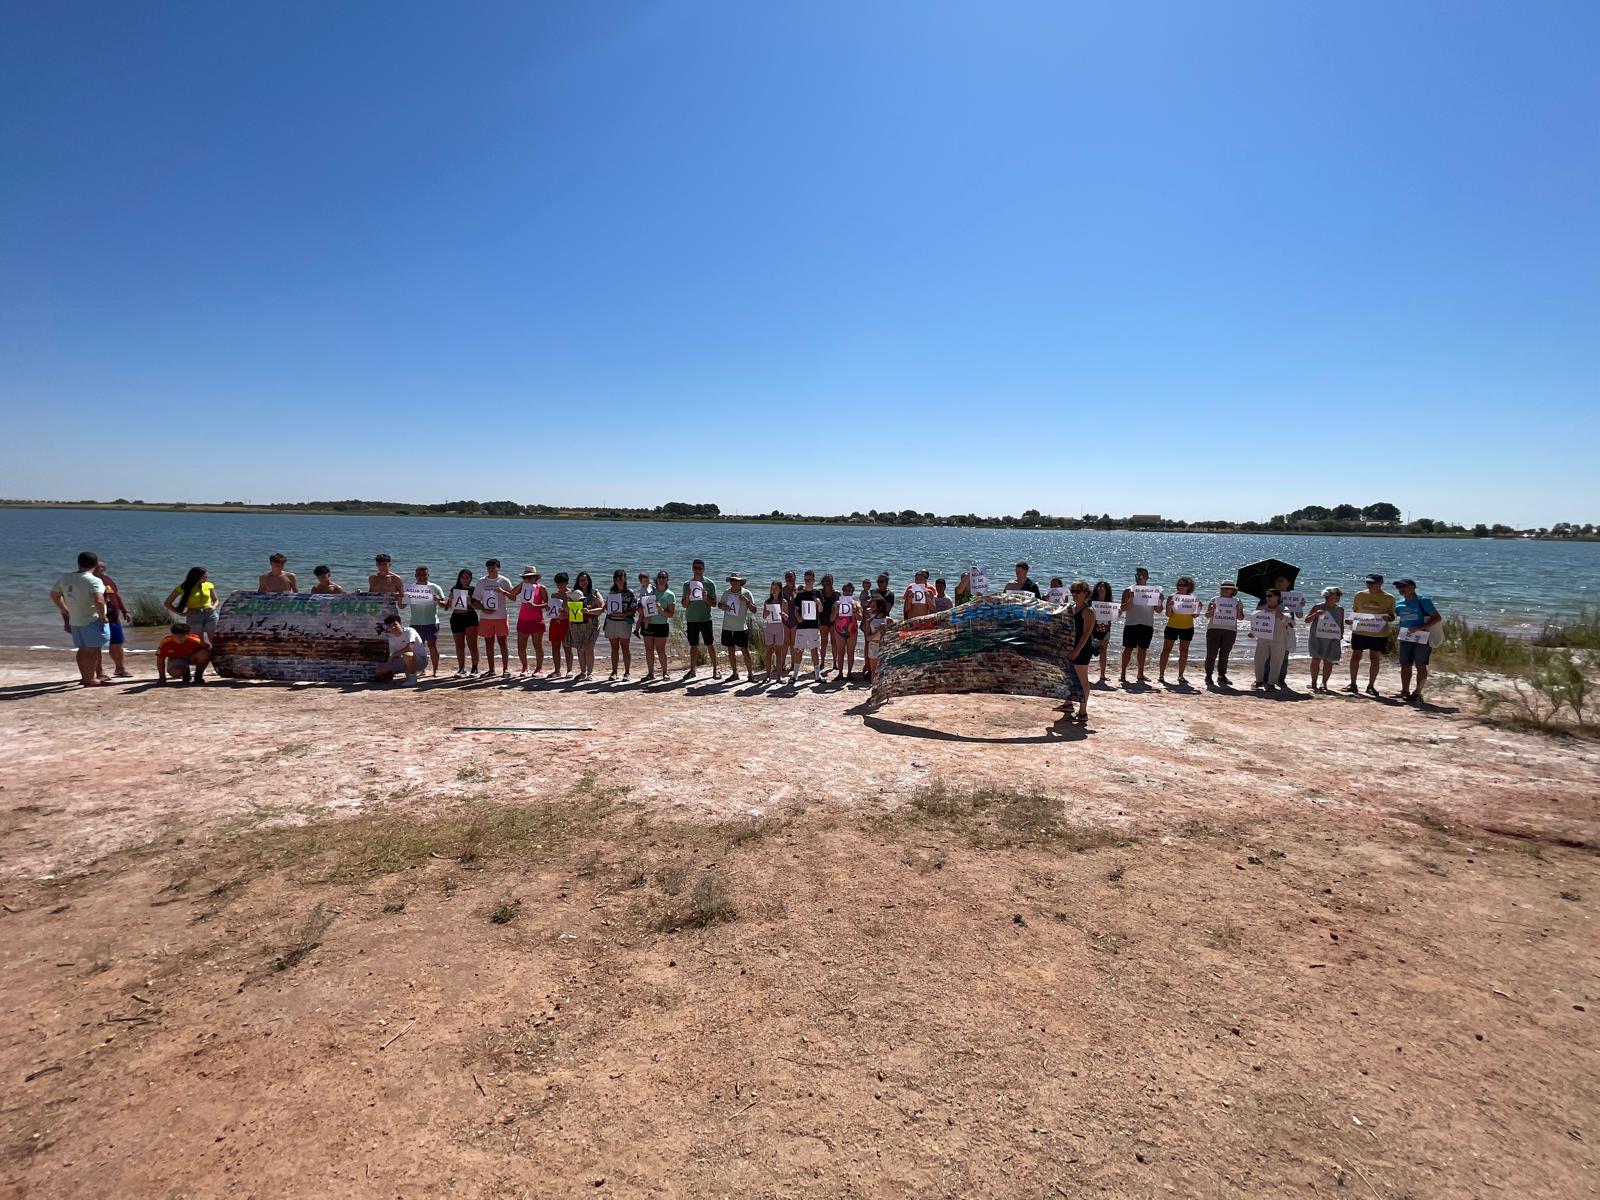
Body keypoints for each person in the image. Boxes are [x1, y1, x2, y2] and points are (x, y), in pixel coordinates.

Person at [51, 550, 110, 687]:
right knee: (92, 650)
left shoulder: (66, 578)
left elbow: (54, 595)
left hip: (75, 620)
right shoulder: (94, 580)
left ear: (78, 563)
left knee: (82, 649)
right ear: (95, 564)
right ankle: (90, 678)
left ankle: (85, 677)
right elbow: (99, 599)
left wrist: (65, 610)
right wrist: (103, 616)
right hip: (91, 619)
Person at [1346, 573, 1396, 697]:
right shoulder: (1360, 595)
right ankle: (1352, 684)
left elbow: (1392, 616)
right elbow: (1355, 611)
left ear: (1380, 583)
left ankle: (1371, 686)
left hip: (1378, 633)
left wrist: (1388, 618)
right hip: (1359, 631)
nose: (1369, 585)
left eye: (1372, 583)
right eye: (1368, 582)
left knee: (1375, 658)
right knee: (1355, 656)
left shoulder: (1389, 598)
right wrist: (1350, 620)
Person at [1393, 578, 1442, 704]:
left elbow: (1437, 617)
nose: (1401, 589)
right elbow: (1401, 618)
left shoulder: (1423, 600)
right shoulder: (1399, 602)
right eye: (1398, 587)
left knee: (1421, 665)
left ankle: (1417, 692)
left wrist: (1420, 628)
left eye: (1404, 586)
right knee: (1405, 665)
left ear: (1413, 587)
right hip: (1405, 637)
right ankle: (1405, 691)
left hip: (1422, 637)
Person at [472, 559, 516, 678]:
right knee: (488, 644)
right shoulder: (481, 581)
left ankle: (505, 669)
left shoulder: (504, 581)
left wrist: (503, 592)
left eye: (493, 567)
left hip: (501, 616)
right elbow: (475, 601)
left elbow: (513, 598)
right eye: (489, 568)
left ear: (498, 568)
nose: (491, 569)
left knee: (503, 643)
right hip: (486, 617)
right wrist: (483, 609)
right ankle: (491, 670)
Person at [1254, 574, 1297, 687]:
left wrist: (1279, 613)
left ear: (1277, 598)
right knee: (1259, 660)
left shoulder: (1284, 608)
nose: (1268, 597)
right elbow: (1254, 619)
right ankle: (1259, 681)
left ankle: (1273, 682)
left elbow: (1291, 622)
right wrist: (1253, 631)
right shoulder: (1262, 607)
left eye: (1270, 595)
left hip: (1279, 637)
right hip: (1263, 637)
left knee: (1277, 661)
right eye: (1267, 595)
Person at [92, 561, 134, 679]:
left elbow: (117, 596)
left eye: (104, 566)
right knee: (96, 646)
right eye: (100, 566)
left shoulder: (108, 580)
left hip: (113, 618)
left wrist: (125, 611)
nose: (103, 568)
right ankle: (99, 672)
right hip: (98, 618)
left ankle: (120, 669)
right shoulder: (90, 582)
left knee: (117, 644)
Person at [1303, 587, 1346, 693]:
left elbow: (1341, 625)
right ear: (1328, 596)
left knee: (1328, 661)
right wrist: (1315, 614)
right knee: (1316, 660)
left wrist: (1340, 636)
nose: (1338, 597)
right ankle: (1313, 683)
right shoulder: (1318, 606)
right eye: (1336, 595)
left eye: (1338, 595)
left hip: (1332, 639)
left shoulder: (1340, 609)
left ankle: (1324, 683)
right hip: (1317, 637)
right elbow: (1307, 620)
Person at [1119, 567, 1157, 684]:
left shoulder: (1152, 591)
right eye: (1137, 576)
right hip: (1131, 623)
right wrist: (1130, 599)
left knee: (1142, 650)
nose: (1139, 579)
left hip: (1147, 624)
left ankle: (1140, 674)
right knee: (1128, 649)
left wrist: (1160, 600)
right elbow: (1123, 608)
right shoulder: (1128, 590)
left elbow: (1159, 610)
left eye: (1141, 576)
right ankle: (1123, 673)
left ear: (1147, 578)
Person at [1158, 575, 1199, 686]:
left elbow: (1195, 615)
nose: (1181, 587)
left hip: (1187, 627)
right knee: (1166, 650)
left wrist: (1198, 607)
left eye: (1184, 585)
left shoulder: (1193, 598)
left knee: (1184, 652)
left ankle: (1180, 675)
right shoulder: (1172, 597)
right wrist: (1170, 606)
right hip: (1172, 626)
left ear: (1189, 586)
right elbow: (1168, 614)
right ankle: (1161, 675)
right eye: (1179, 584)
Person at [681, 560, 719, 679]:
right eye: (696, 568)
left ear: (703, 569)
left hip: (705, 618)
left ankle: (715, 669)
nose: (698, 570)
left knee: (710, 644)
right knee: (693, 646)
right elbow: (684, 605)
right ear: (692, 569)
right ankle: (692, 670)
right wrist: (687, 597)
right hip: (692, 619)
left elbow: (714, 604)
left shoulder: (710, 583)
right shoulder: (687, 584)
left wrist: (705, 598)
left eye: (700, 568)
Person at [406, 566, 446, 677]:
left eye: (424, 575)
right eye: (419, 575)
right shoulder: (411, 588)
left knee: (432, 646)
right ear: (415, 576)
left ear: (428, 575)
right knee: (418, 647)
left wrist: (437, 600)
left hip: (431, 622)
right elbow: (402, 605)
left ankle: (435, 670)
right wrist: (401, 597)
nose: (422, 577)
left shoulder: (435, 587)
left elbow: (444, 605)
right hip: (415, 622)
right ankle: (421, 669)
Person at [1066, 580, 1096, 725]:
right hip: (1070, 648)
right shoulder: (1071, 608)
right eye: (1073, 591)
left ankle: (1083, 711)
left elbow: (1086, 634)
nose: (1075, 594)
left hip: (1082, 649)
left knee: (1082, 679)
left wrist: (1077, 651)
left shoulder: (1088, 611)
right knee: (1069, 677)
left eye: (1078, 591)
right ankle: (1068, 703)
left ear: (1086, 593)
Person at [164, 567, 218, 645]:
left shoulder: (209, 585)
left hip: (211, 615)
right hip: (194, 616)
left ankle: (216, 655)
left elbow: (216, 600)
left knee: (215, 639)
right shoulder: (182, 587)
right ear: (196, 577)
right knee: (198, 641)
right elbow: (167, 603)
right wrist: (181, 614)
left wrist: (213, 607)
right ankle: (203, 655)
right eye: (205, 576)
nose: (207, 578)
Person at [1204, 581, 1242, 687]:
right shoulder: (1214, 600)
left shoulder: (1237, 601)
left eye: (1227, 589)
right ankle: (1208, 676)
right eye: (1222, 588)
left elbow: (1240, 617)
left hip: (1230, 631)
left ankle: (1221, 675)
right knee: (1211, 654)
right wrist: (1212, 611)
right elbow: (1207, 615)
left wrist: (1238, 611)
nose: (1224, 590)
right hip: (1214, 629)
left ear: (1233, 591)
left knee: (1224, 655)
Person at [719, 572, 757, 681]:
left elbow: (754, 610)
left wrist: (747, 602)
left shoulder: (747, 593)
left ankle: (750, 674)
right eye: (732, 580)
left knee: (745, 651)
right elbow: (719, 604)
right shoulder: (726, 592)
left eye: (736, 580)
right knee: (730, 651)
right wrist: (723, 606)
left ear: (741, 582)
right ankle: (735, 673)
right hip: (727, 626)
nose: (734, 582)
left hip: (741, 628)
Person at [513, 566, 547, 676]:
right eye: (525, 577)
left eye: (530, 577)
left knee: (537, 645)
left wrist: (536, 606)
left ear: (536, 577)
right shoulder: (522, 586)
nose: (528, 579)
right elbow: (512, 594)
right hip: (522, 619)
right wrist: (520, 585)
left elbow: (547, 605)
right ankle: (525, 666)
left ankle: (539, 668)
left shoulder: (541, 588)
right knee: (521, 645)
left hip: (536, 620)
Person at [603, 570, 637, 680]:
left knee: (625, 648)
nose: (618, 579)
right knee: (614, 648)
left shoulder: (630, 593)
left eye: (620, 577)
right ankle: (614, 672)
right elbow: (607, 608)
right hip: (612, 621)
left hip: (624, 623)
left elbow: (634, 609)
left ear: (625, 579)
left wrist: (624, 614)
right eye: (616, 577)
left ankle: (627, 672)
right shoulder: (612, 592)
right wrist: (607, 602)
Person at [376, 613, 427, 685]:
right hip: (405, 660)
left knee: (408, 654)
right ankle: (405, 673)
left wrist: (394, 655)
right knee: (380, 670)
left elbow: (410, 648)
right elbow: (394, 656)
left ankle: (412, 678)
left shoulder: (410, 631)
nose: (393, 627)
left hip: (421, 661)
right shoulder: (391, 638)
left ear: (400, 623)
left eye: (395, 625)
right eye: (390, 626)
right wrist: (390, 663)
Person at [792, 571, 824, 682]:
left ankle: (817, 676)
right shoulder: (800, 594)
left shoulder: (818, 593)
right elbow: (795, 610)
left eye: (810, 579)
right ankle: (795, 676)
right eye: (806, 579)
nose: (808, 581)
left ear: (814, 581)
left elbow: (821, 610)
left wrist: (819, 603)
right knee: (798, 650)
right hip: (802, 627)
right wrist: (798, 618)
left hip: (814, 627)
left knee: (814, 650)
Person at [570, 570, 603, 681]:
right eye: (581, 580)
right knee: (580, 649)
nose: (583, 582)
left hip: (592, 625)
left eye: (585, 580)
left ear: (589, 580)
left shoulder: (594, 592)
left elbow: (601, 609)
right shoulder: (573, 593)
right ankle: (583, 672)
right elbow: (567, 607)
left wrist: (588, 611)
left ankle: (590, 673)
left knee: (589, 648)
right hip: (577, 625)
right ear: (578, 581)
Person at [641, 570, 674, 680]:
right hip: (648, 624)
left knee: (661, 650)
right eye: (659, 577)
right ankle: (651, 673)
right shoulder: (651, 592)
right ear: (657, 579)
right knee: (649, 650)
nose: (661, 579)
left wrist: (661, 610)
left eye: (663, 577)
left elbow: (670, 614)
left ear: (667, 580)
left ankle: (665, 672)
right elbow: (642, 603)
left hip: (661, 625)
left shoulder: (670, 594)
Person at [446, 569, 480, 676]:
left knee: (472, 644)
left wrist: (471, 602)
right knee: (459, 645)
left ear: (470, 578)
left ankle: (474, 668)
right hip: (456, 617)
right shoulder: (454, 589)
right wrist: (442, 600)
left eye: (467, 577)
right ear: (459, 578)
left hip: (469, 616)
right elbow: (449, 605)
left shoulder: (473, 590)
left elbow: (478, 606)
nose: (464, 579)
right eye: (462, 577)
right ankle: (461, 668)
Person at [546, 571, 576, 678]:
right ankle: (557, 670)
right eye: (557, 584)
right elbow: (551, 609)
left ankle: (569, 670)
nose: (559, 586)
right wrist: (548, 608)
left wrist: (565, 610)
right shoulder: (554, 595)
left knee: (567, 647)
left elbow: (575, 611)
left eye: (561, 583)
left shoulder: (572, 594)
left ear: (566, 583)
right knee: (555, 647)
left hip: (566, 623)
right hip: (555, 622)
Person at [832, 581, 860, 680]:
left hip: (852, 630)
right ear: (842, 591)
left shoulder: (856, 603)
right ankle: (840, 673)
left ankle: (849, 673)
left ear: (853, 592)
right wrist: (836, 610)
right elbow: (831, 619)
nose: (847, 592)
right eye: (845, 590)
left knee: (851, 652)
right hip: (839, 630)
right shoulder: (837, 603)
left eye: (849, 590)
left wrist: (855, 610)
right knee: (840, 652)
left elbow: (860, 618)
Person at [1089, 580, 1114, 685]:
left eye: (1103, 587)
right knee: (1088, 651)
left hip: (1105, 630)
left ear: (1107, 590)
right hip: (1092, 629)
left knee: (1103, 652)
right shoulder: (1091, 602)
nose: (1101, 588)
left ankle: (1102, 674)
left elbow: (1112, 616)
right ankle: (1085, 673)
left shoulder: (1110, 603)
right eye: (1099, 587)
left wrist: (1118, 612)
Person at [762, 580, 788, 681]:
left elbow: (787, 617)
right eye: (772, 589)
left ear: (780, 590)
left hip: (779, 628)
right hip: (769, 628)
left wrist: (783, 615)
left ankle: (779, 676)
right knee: (768, 652)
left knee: (778, 652)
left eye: (776, 589)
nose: (773, 591)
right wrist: (766, 614)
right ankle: (768, 675)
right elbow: (764, 617)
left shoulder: (783, 602)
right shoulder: (767, 601)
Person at [817, 574, 841, 671]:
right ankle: (822, 662)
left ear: (832, 581)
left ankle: (835, 663)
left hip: (834, 620)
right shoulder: (819, 592)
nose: (827, 582)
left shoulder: (836, 594)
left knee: (834, 642)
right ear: (822, 582)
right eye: (826, 581)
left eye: (829, 580)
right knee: (823, 642)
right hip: (823, 620)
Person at [864, 595, 890, 683]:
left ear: (880, 607)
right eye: (871, 606)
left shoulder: (888, 620)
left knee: (885, 671)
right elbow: (867, 638)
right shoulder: (869, 621)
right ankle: (874, 690)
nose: (871, 608)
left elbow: (893, 636)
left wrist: (885, 630)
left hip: (885, 646)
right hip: (874, 645)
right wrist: (878, 632)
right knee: (874, 671)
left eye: (873, 606)